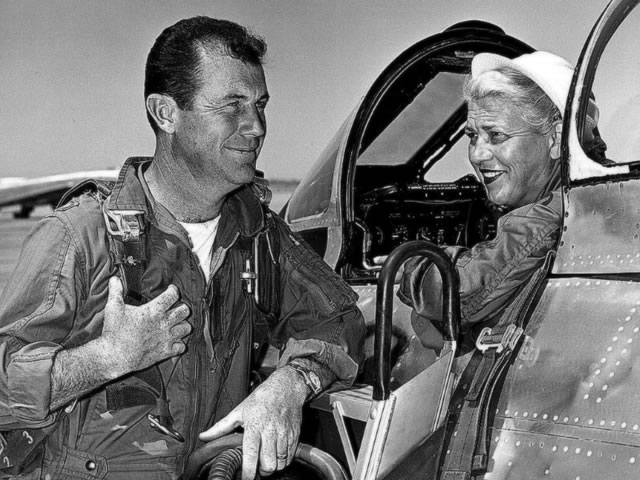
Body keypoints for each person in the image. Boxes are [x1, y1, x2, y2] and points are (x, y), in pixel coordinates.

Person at [0, 17, 365, 480]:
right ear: (165, 113)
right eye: (231, 105)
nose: (255, 126)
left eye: (260, 104)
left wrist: (290, 385)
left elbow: (340, 320)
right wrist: (105, 358)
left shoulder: (259, 236)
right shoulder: (81, 236)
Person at [398, 51, 601, 347]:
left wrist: (413, 261)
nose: (478, 154)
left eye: (496, 136)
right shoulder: (584, 196)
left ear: (556, 139)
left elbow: (462, 295)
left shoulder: (558, 211)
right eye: (472, 136)